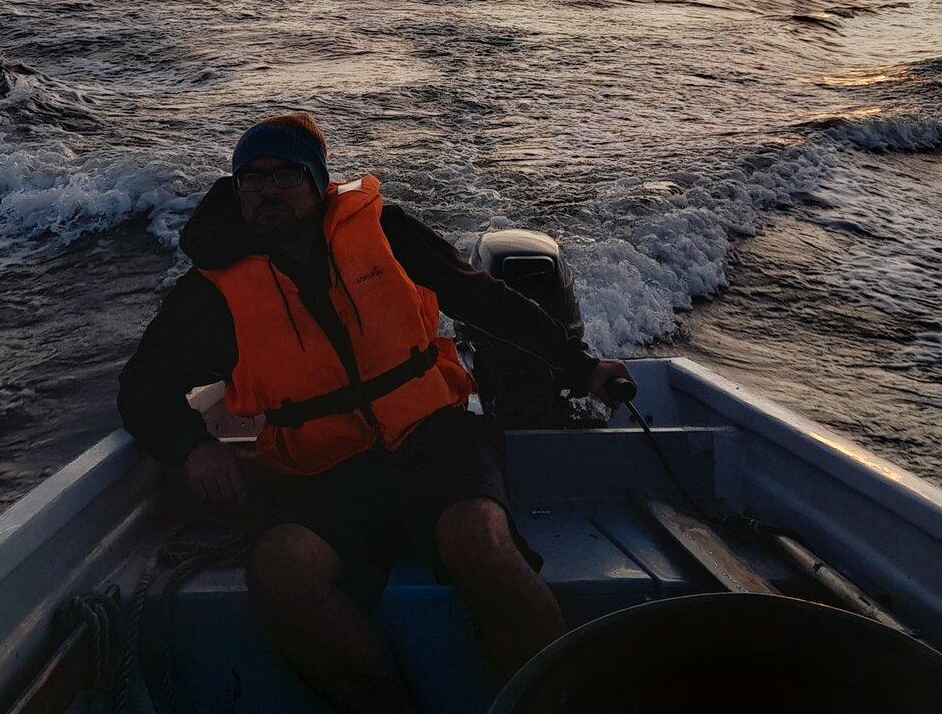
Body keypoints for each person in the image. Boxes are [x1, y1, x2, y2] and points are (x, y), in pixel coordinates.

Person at [117, 113, 632, 714]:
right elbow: (143, 387)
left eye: (285, 175)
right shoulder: (215, 288)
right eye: (251, 180)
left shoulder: (381, 229)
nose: (268, 192)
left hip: (435, 440)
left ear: (318, 183)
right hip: (323, 472)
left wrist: (580, 366)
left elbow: (478, 296)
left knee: (482, 545)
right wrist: (193, 447)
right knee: (283, 572)